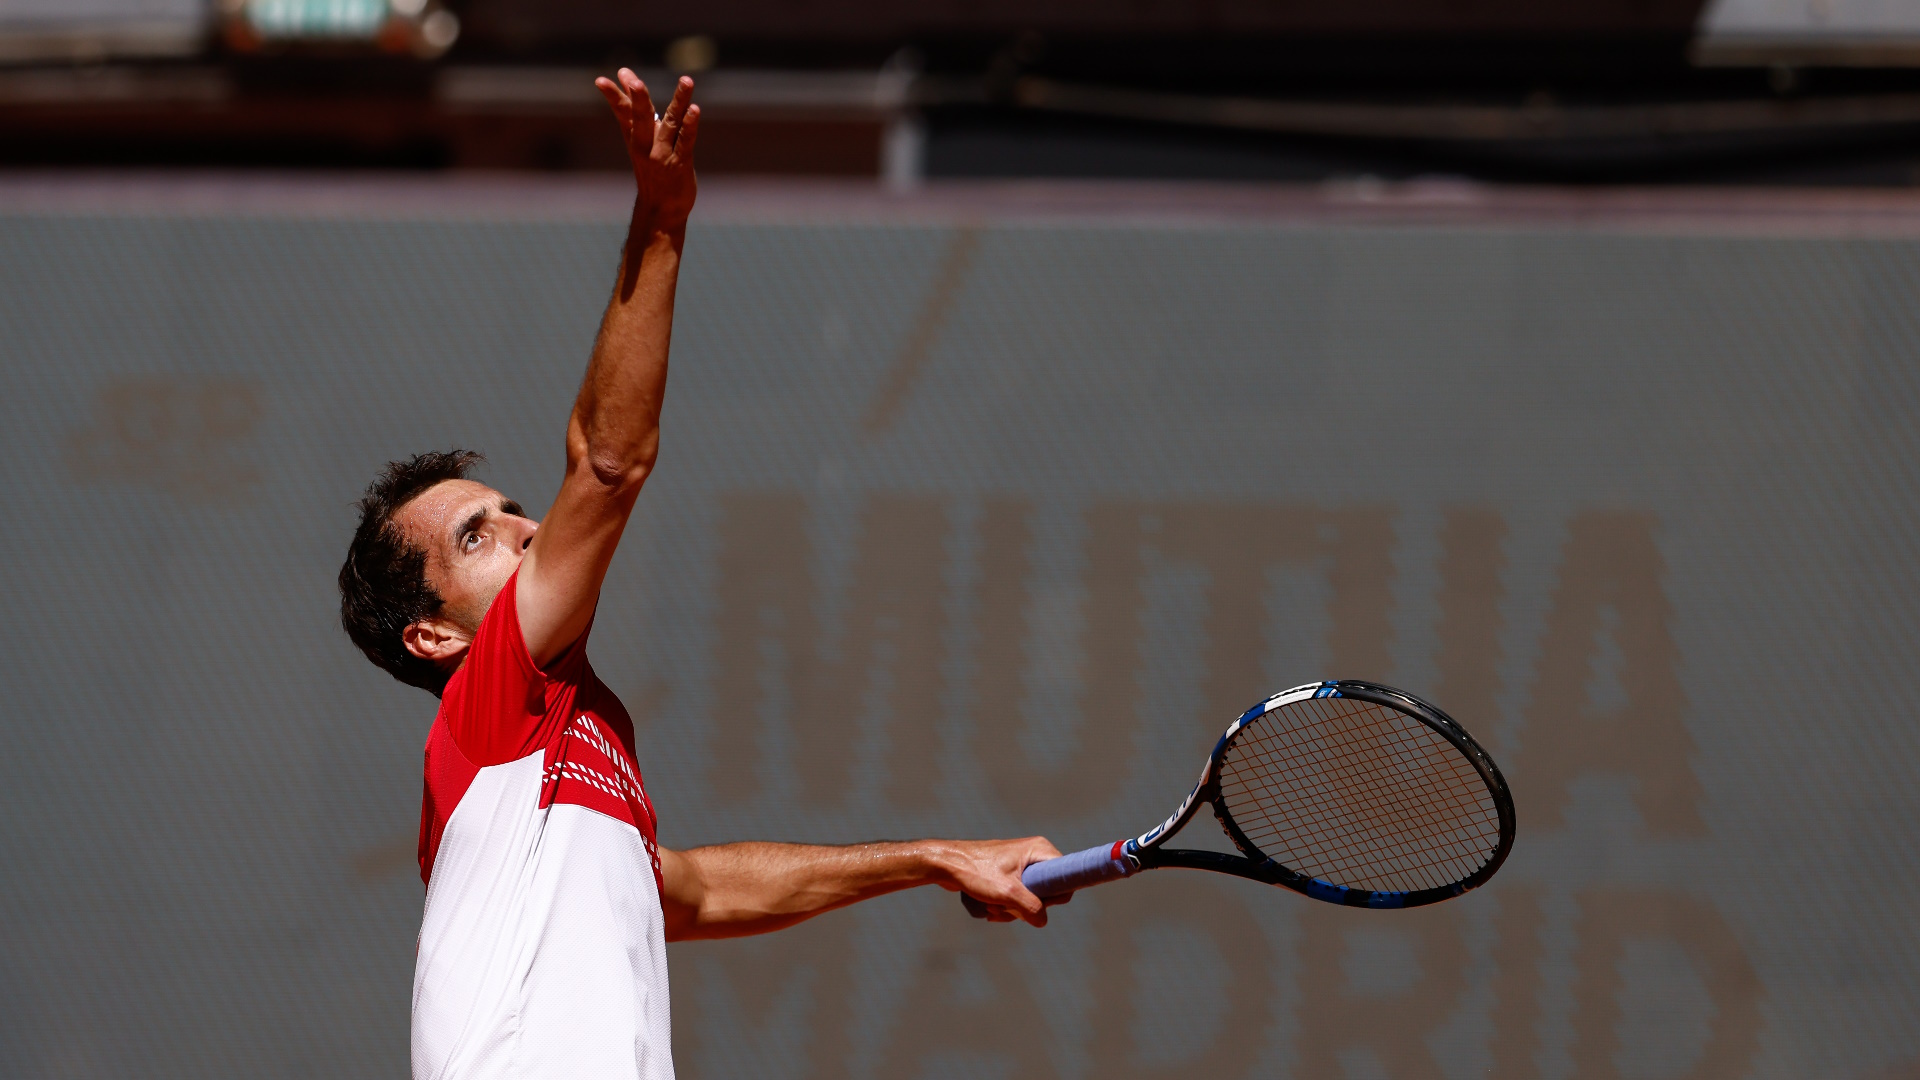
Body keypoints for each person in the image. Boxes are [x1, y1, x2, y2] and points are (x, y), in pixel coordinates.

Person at [335, 70, 1061, 1080]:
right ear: (435, 636)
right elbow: (608, 465)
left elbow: (700, 893)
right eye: (475, 537)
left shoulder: (566, 750)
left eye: (510, 508)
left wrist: (936, 859)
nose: (526, 528)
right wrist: (663, 218)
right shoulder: (491, 711)